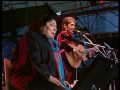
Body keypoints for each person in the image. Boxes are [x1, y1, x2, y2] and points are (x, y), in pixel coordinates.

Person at [10, 15, 71, 90]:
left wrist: (61, 81)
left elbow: (51, 66)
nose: (55, 29)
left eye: (56, 26)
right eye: (52, 25)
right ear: (41, 26)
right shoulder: (31, 36)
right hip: (30, 80)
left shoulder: (48, 43)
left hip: (43, 80)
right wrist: (49, 77)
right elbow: (33, 60)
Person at [57, 16, 96, 86]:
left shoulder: (72, 39)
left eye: (74, 25)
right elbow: (62, 44)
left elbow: (81, 56)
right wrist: (74, 50)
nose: (73, 27)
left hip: (70, 67)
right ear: (65, 26)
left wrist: (89, 53)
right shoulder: (63, 34)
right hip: (64, 65)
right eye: (71, 25)